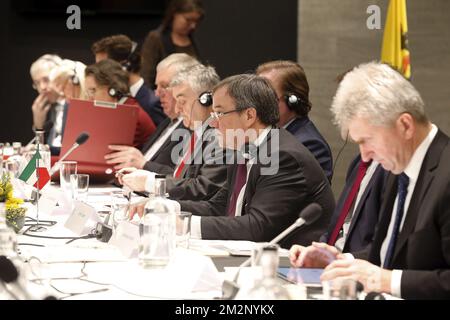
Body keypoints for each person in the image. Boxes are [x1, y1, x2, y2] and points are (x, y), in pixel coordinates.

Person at [292, 62, 450, 299]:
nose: (364, 155)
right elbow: (390, 252)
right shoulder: (399, 168)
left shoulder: (445, 175)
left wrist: (385, 279)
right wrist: (343, 261)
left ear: (405, 126)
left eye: (367, 140)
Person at [130, 74, 335, 248]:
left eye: (219, 112)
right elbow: (219, 206)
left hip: (289, 267)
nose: (213, 122)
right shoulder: (246, 147)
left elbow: (258, 227)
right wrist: (166, 207)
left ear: (249, 116)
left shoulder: (281, 155)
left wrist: (182, 224)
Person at [118, 63, 228, 201]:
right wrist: (144, 178)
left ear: (206, 100)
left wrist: (149, 182)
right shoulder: (197, 133)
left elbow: (203, 189)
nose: (177, 110)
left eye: (182, 101)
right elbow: (180, 180)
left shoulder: (220, 137)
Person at [104, 53, 199, 173]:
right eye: (157, 86)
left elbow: (183, 179)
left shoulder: (194, 127)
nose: (157, 93)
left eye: (164, 86)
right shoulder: (166, 122)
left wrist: (143, 164)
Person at [256, 60, 333, 182]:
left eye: (267, 97)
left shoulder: (310, 144)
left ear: (293, 101)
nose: (258, 104)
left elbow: (284, 194)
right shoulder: (265, 136)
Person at [92, 34, 166, 126]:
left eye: (102, 66)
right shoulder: (115, 97)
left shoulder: (151, 103)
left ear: (124, 66)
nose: (98, 73)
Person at [84, 59, 156, 149]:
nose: (89, 98)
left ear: (112, 90)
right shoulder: (119, 109)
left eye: (93, 90)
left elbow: (110, 154)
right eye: (88, 92)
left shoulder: (130, 115)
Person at [141, 0, 204, 88]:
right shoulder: (157, 38)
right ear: (174, 14)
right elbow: (146, 75)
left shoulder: (193, 39)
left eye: (196, 21)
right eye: (188, 20)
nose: (193, 26)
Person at [46, 59, 87, 154]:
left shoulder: (92, 107)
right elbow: (66, 148)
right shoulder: (68, 106)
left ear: (75, 81)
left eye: (63, 87)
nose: (62, 94)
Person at [29, 54, 65, 151]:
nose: (42, 87)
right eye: (37, 83)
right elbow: (42, 151)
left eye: (46, 79)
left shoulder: (76, 104)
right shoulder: (46, 108)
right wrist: (38, 125)